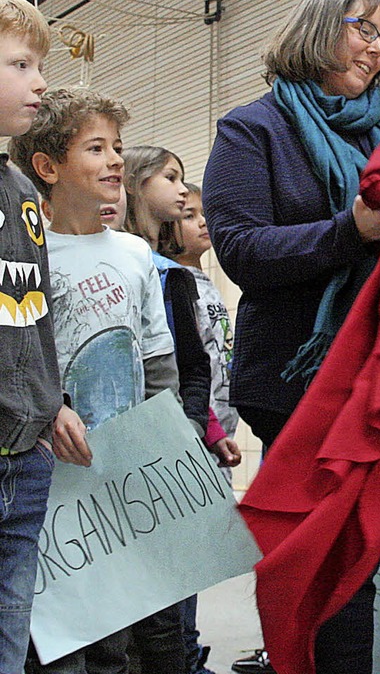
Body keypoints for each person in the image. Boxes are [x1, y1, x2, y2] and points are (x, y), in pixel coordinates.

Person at [203, 0, 380, 674]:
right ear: (317, 27)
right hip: (308, 378)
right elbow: (240, 250)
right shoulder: (254, 128)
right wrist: (351, 230)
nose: (375, 46)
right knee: (338, 563)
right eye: (362, 28)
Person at [9, 87, 179, 673]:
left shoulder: (134, 253)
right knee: (55, 640)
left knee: (117, 639)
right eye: (96, 148)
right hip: (51, 471)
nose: (115, 161)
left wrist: (165, 439)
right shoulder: (30, 252)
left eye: (119, 148)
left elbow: (157, 358)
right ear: (48, 167)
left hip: (122, 471)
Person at [123, 146, 239, 674]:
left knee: (180, 573)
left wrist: (200, 426)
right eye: (170, 179)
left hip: (183, 436)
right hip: (127, 442)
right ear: (136, 182)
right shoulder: (135, 262)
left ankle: (184, 657)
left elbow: (196, 365)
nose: (182, 191)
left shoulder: (177, 278)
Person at [0, 0, 85, 674]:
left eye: (40, 65)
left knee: (12, 618)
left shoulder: (23, 192)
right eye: (21, 64)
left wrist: (52, 399)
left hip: (26, 449)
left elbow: (35, 314)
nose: (40, 82)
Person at [171, 183, 239, 464]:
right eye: (189, 215)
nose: (202, 221)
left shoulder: (205, 281)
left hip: (222, 430)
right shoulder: (176, 281)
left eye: (204, 213)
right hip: (200, 428)